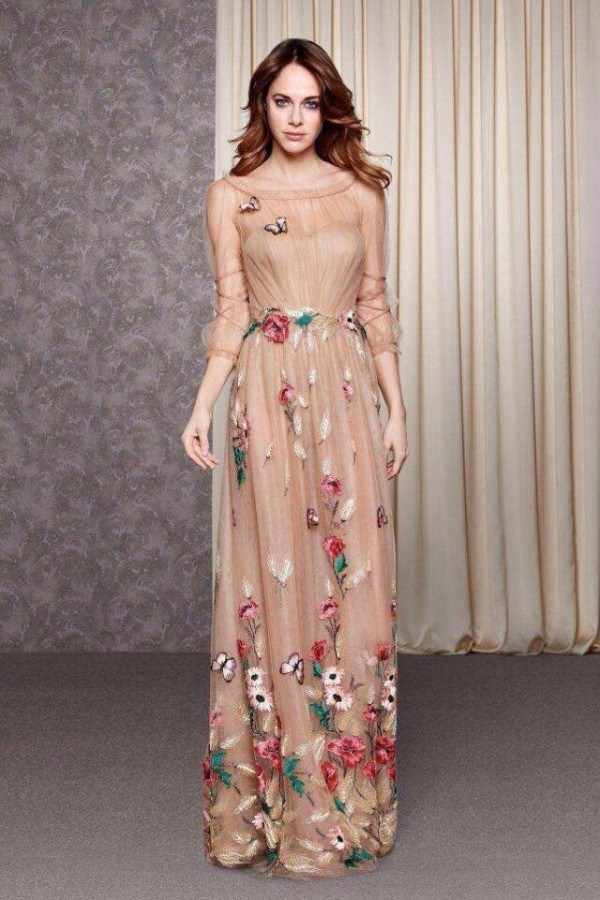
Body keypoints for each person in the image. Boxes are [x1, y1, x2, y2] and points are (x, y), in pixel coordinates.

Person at [182, 37, 408, 879]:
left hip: (346, 399)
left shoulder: (360, 194)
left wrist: (396, 407)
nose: (297, 117)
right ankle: (267, 805)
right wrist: (201, 406)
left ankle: (340, 802)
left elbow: (375, 306)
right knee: (271, 578)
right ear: (261, 106)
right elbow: (231, 312)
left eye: (311, 102)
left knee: (352, 582)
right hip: (266, 400)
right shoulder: (232, 197)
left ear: (328, 109)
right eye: (283, 101)